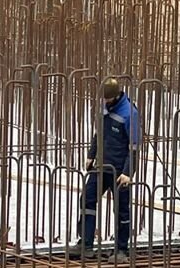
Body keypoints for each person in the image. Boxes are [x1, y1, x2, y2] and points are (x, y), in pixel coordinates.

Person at [68, 77, 139, 262]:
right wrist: (91, 154)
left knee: (121, 210)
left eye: (108, 99)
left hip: (118, 172)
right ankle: (86, 243)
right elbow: (98, 133)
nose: (105, 102)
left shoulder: (130, 113)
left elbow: (134, 147)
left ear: (116, 97)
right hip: (101, 167)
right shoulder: (104, 107)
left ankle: (121, 249)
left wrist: (128, 173)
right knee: (87, 200)